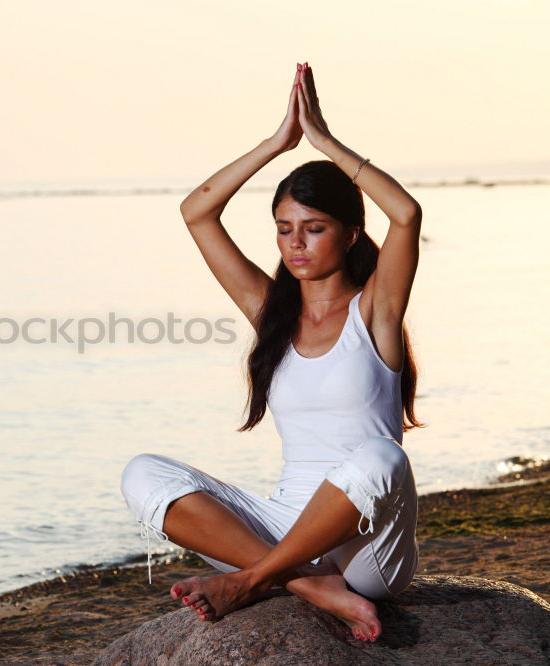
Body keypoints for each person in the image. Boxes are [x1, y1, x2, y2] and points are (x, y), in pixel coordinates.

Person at [119, 62, 424, 643]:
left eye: (313, 228)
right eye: (284, 229)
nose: (295, 244)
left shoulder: (375, 312)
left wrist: (324, 142)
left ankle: (253, 579)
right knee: (143, 474)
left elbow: (406, 214)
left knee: (382, 458)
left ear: (351, 233)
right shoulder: (273, 314)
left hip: (367, 548)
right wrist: (275, 144)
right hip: (287, 527)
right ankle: (305, 584)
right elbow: (196, 211)